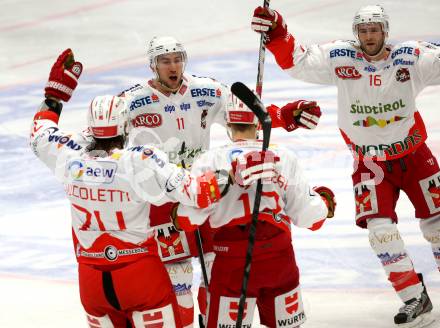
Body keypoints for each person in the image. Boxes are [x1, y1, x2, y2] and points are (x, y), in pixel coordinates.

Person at [251, 4, 440, 326]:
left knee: (437, 228)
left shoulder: (412, 57)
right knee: (380, 233)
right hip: (369, 164)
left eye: (375, 30)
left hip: (415, 157)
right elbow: (297, 61)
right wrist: (278, 33)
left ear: (385, 31)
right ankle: (413, 297)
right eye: (364, 31)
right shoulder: (341, 57)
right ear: (357, 34)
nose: (369, 36)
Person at [119, 35, 324, 326]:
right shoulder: (132, 100)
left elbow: (245, 111)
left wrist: (285, 114)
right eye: (165, 61)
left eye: (177, 59)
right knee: (177, 274)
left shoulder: (206, 90)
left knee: (217, 267)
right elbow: (104, 132)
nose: (173, 66)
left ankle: (211, 318)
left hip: (210, 190)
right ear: (153, 65)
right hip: (165, 198)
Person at [29, 49, 229, 327]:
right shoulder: (140, 160)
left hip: (91, 279)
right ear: (125, 124)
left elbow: (40, 133)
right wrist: (223, 176)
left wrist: (55, 96)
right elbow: (197, 192)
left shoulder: (67, 157)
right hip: (138, 272)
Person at [173, 95, 336, 328]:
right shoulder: (285, 156)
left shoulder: (209, 160)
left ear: (228, 124)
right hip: (279, 260)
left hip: (231, 264)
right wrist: (324, 201)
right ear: (258, 122)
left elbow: (187, 220)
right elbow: (308, 216)